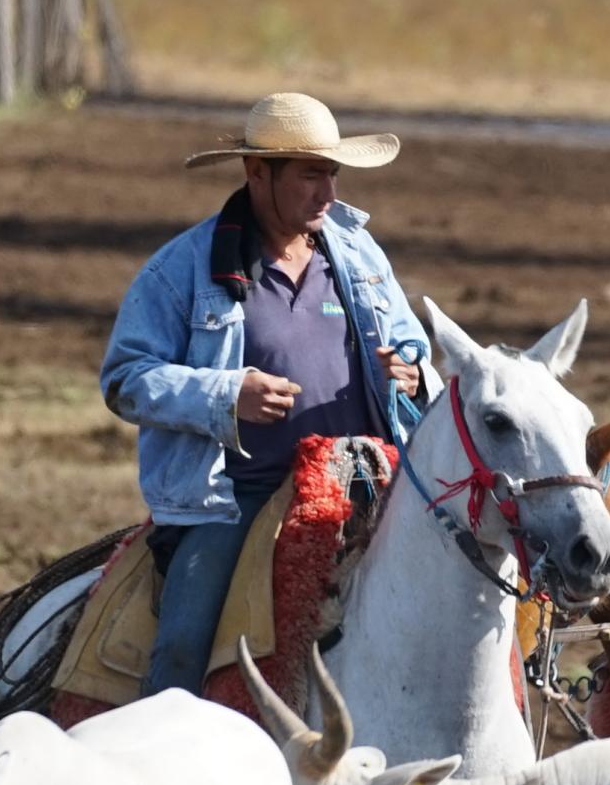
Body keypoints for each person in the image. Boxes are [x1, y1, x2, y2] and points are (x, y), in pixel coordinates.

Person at [102, 93, 430, 698]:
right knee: (181, 649)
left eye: (331, 174)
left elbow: (413, 346)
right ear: (258, 174)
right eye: (310, 175)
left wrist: (412, 375)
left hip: (370, 482)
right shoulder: (180, 269)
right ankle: (159, 750)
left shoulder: (359, 255)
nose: (327, 194)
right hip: (238, 500)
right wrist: (228, 396)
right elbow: (125, 380)